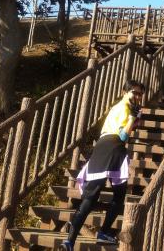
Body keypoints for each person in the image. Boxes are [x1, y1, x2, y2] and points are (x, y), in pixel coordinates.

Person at [60, 80, 145, 251]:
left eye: (140, 94)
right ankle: (104, 232)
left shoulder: (115, 107)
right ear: (125, 92)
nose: (137, 96)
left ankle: (69, 241)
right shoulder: (126, 109)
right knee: (119, 195)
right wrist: (133, 118)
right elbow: (122, 136)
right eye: (134, 92)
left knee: (90, 198)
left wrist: (135, 119)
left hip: (101, 146)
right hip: (114, 147)